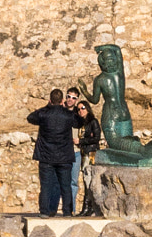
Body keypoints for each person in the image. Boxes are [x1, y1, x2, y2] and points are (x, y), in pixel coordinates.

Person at [27, 89, 85, 217]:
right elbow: (80, 122)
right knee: (66, 186)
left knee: (46, 185)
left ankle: (45, 211)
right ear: (63, 101)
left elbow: (30, 117)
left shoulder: (44, 114)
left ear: (50, 100)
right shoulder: (68, 115)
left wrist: (48, 107)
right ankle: (67, 211)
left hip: (46, 156)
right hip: (64, 156)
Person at [64, 88, 100, 214]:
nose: (80, 110)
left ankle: (87, 209)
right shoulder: (77, 119)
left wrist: (81, 141)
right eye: (69, 96)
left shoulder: (92, 121)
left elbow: (96, 138)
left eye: (83, 108)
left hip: (84, 153)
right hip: (76, 153)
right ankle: (74, 210)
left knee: (85, 180)